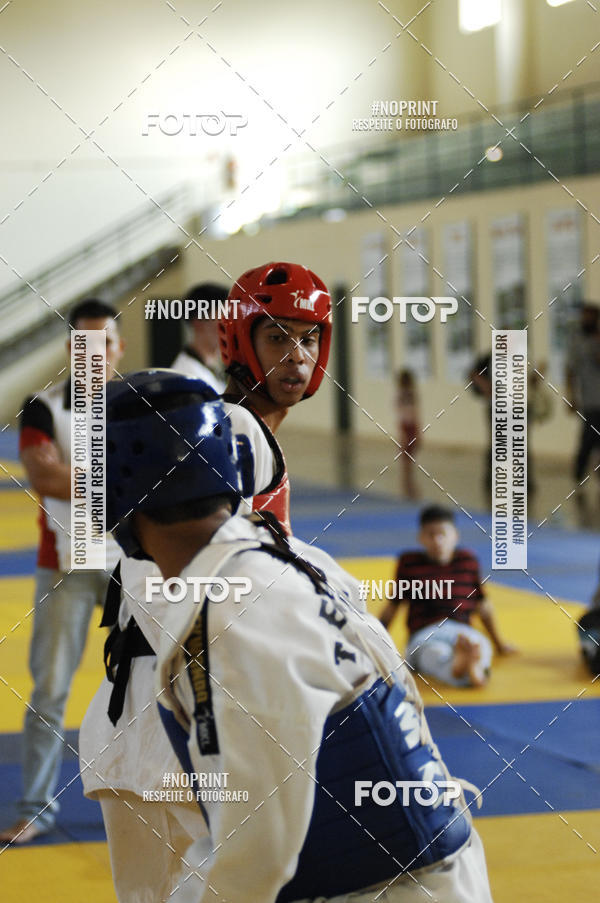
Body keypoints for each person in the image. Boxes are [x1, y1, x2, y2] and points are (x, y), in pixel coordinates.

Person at [103, 376, 494, 903]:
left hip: (390, 886)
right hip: (421, 874)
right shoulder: (290, 560)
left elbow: (259, 851)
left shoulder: (228, 617)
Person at [78, 262, 333, 901]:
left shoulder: (213, 427)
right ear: (237, 341)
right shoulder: (235, 436)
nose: (296, 358)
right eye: (277, 338)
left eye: (307, 338)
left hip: (128, 717)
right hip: (182, 720)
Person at [0, 299, 124, 844]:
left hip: (134, 564)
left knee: (163, 682)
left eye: (108, 343)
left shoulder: (143, 406)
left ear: (120, 349)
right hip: (67, 563)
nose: (98, 354)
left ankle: (177, 796)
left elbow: (171, 475)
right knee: (50, 689)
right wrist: (124, 477)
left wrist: (86, 474)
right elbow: (45, 478)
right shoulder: (43, 408)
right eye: (86, 344)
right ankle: (36, 807)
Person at [380, 505, 516, 688]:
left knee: (480, 645)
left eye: (443, 534)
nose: (437, 540)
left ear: (455, 536)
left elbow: (483, 606)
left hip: (462, 632)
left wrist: (499, 644)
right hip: (425, 634)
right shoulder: (409, 563)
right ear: (420, 538)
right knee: (433, 654)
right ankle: (467, 671)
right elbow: (392, 607)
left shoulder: (468, 561)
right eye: (430, 534)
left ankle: (464, 666)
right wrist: (375, 644)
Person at [170, 281, 228, 392]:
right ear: (198, 321)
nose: (230, 325)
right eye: (223, 316)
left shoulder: (208, 368)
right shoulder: (188, 376)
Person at [565, 302, 600, 485]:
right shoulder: (577, 339)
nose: (585, 320)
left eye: (589, 316)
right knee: (588, 438)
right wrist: (571, 396)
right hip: (590, 400)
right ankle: (579, 475)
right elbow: (570, 369)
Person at [395, 369, 421, 499]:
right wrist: (403, 433)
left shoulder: (412, 394)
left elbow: (416, 411)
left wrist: (418, 430)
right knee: (406, 457)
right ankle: (407, 485)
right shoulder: (400, 395)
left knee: (410, 456)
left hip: (412, 425)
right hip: (406, 425)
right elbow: (400, 412)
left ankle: (409, 484)